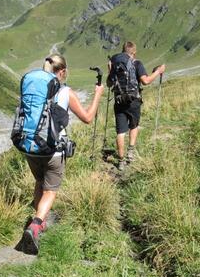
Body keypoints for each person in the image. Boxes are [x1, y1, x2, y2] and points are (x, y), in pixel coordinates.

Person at [16, 54, 104, 255]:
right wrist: (98, 94)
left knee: (40, 182)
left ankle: (40, 220)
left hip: (30, 147)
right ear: (62, 72)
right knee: (50, 190)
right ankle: (36, 225)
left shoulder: (33, 89)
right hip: (53, 151)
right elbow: (87, 118)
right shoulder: (65, 92)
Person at [108, 41, 166, 170]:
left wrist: (110, 69)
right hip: (134, 101)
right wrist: (158, 71)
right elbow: (146, 81)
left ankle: (121, 161)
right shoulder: (136, 63)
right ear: (134, 52)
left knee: (120, 132)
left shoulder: (115, 64)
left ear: (123, 50)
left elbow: (109, 84)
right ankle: (130, 152)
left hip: (119, 101)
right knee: (133, 125)